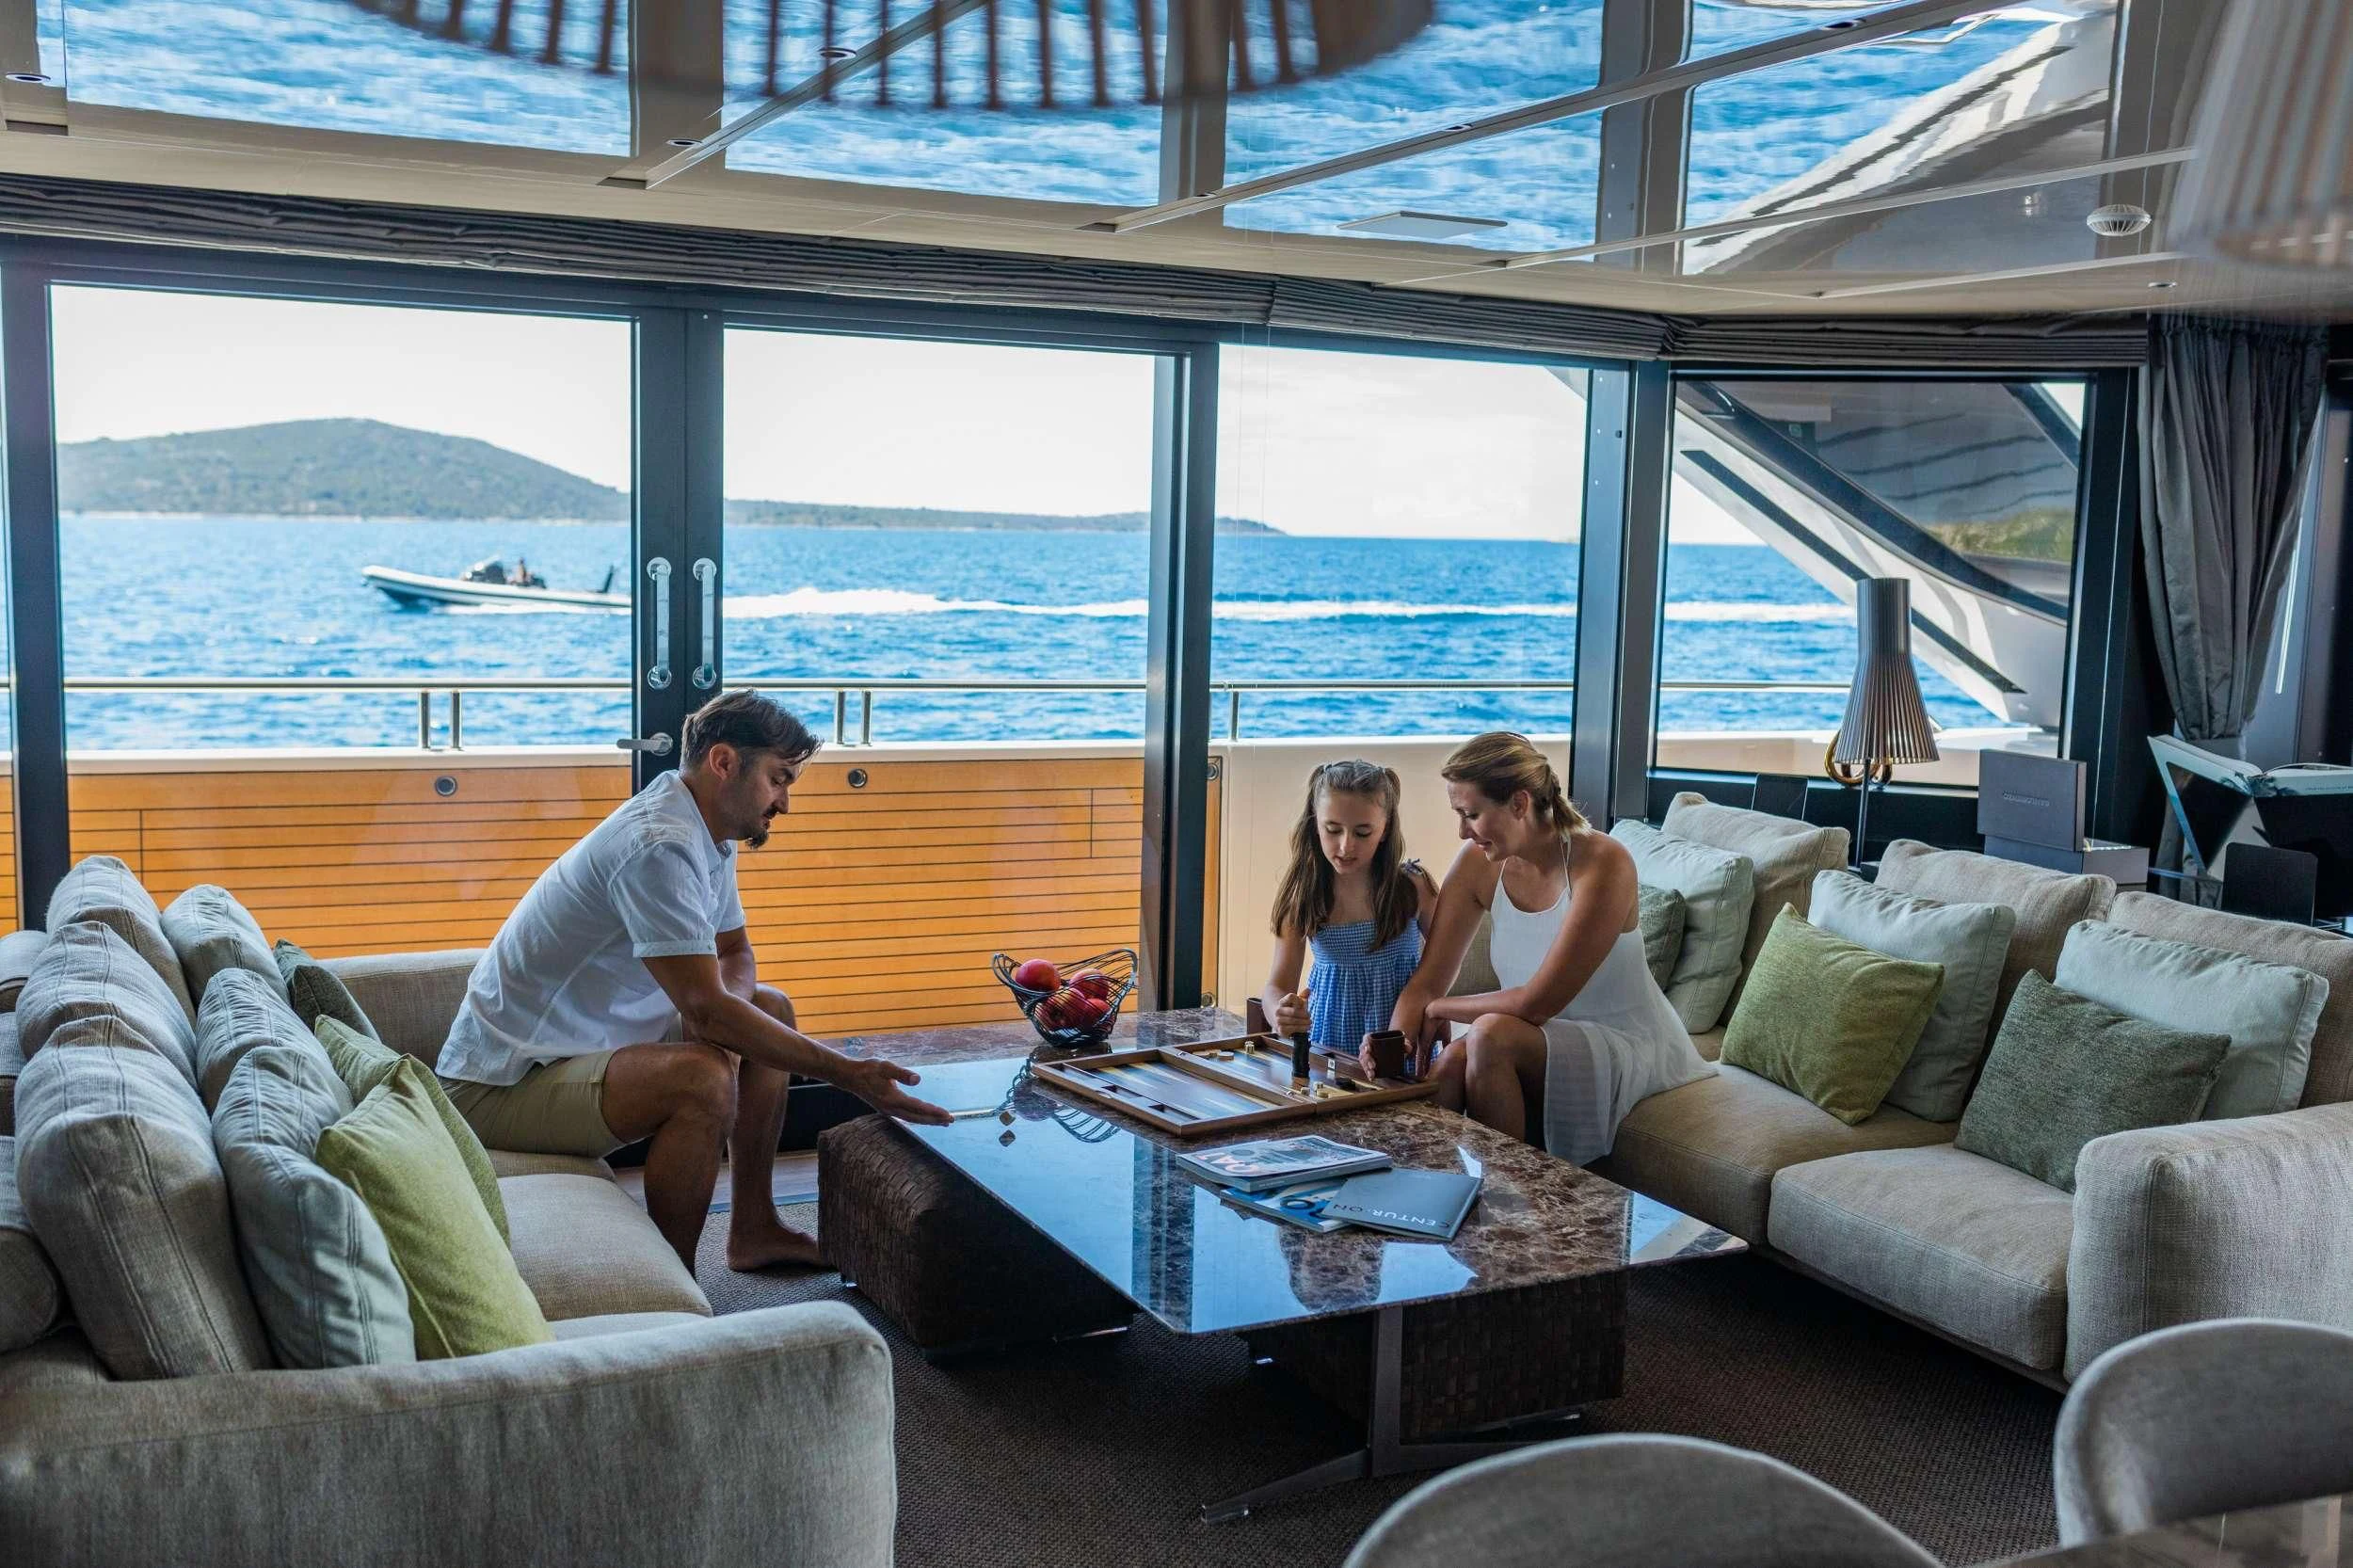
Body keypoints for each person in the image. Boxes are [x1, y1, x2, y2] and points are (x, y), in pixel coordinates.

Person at [436, 687, 951, 1272]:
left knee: (769, 1009)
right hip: (498, 1089)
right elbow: (706, 1012)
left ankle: (754, 1228)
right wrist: (848, 1074)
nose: (784, 803)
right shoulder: (657, 844)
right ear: (724, 762)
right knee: (700, 1078)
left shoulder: (708, 827)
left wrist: (729, 1021)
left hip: (581, 1049)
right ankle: (673, 1280)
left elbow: (734, 949)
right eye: (778, 779)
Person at [1389, 731, 1711, 1163]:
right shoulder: (1477, 863)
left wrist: (1440, 1009)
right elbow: (1426, 981)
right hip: (1537, 1037)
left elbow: (1536, 1004)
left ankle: (1509, 1208)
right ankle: (1419, 1202)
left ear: (1520, 804)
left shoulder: (1603, 862)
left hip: (1625, 1042)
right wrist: (1391, 1047)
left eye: (1472, 814)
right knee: (1448, 1065)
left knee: (1487, 1035)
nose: (1462, 830)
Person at [1259, 760, 1438, 1057]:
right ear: (1315, 823)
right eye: (1333, 829)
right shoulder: (1303, 894)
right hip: (1326, 1047)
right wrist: (1279, 1012)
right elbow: (1277, 985)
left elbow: (1447, 966)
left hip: (1400, 1046)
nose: (1345, 846)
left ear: (1385, 829)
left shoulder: (1412, 887)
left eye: (1362, 832)